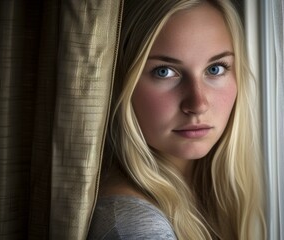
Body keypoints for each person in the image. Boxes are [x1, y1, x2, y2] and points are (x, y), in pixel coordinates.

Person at [87, 0, 266, 239]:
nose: (197, 104)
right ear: (122, 82)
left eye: (215, 69)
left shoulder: (211, 196)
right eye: (164, 71)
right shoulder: (134, 226)